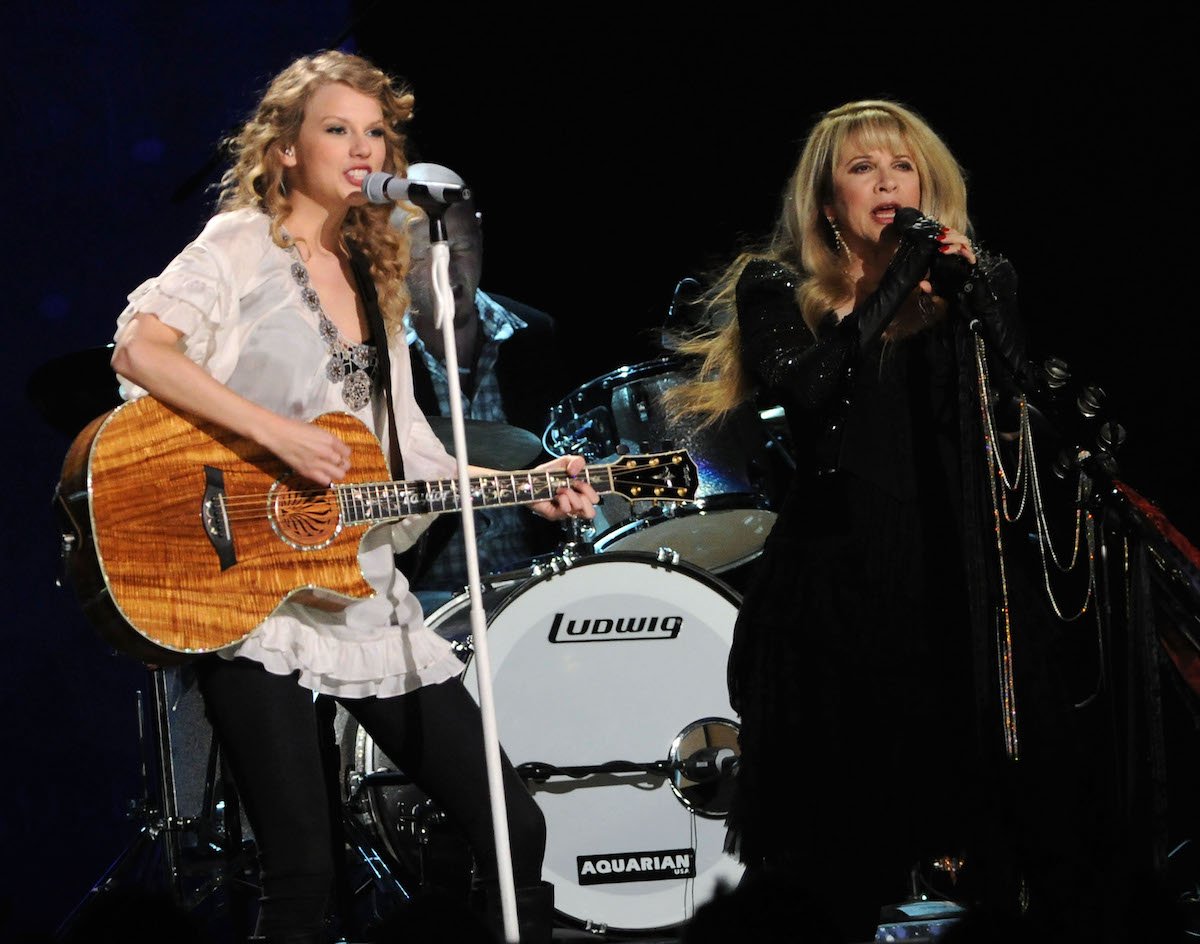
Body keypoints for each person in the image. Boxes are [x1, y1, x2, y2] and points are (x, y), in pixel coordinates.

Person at [108, 50, 597, 944]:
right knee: (302, 875)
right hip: (251, 593)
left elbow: (411, 454)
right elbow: (141, 351)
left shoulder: (382, 277)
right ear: (287, 148)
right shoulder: (240, 244)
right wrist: (277, 433)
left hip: (360, 592)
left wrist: (526, 488)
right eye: (339, 128)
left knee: (514, 827)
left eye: (377, 132)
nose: (364, 147)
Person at [667, 100, 1119, 942]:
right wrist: (896, 274)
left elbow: (1021, 401)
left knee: (1015, 826)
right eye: (862, 169)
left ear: (928, 183)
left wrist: (975, 289)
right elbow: (806, 391)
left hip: (960, 581)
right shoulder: (782, 288)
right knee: (832, 853)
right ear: (827, 203)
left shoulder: (976, 284)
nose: (887, 182)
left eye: (902, 167)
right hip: (835, 596)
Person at [395, 198, 566, 613]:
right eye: (425, 257)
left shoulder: (535, 336)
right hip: (425, 602)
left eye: (463, 249)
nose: (449, 273)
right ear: (392, 261)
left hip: (536, 583)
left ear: (482, 241)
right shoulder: (382, 357)